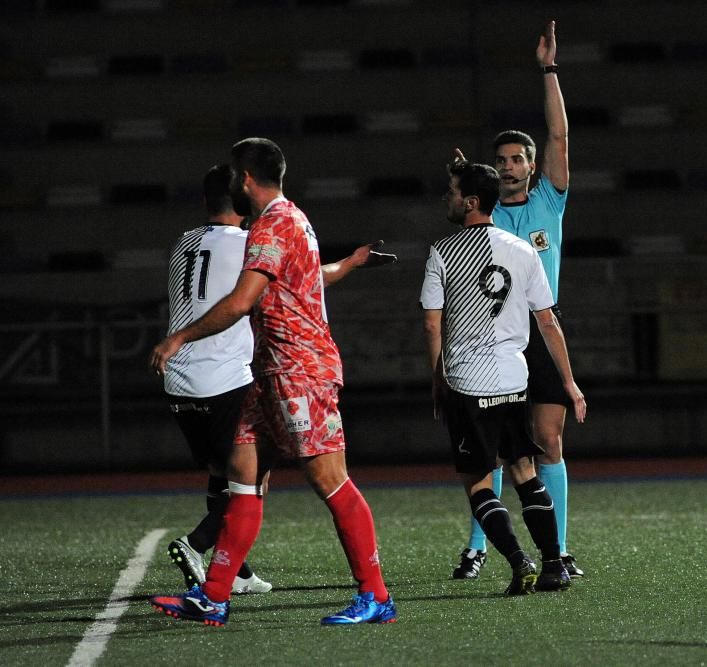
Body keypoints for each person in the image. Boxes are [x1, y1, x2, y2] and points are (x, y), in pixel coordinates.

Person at [148, 137, 397, 627]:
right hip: (269, 371)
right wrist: (349, 265)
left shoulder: (271, 225)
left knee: (329, 480)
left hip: (299, 369)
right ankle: (214, 596)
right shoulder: (288, 220)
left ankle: (376, 596)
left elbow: (242, 301)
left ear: (245, 178)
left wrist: (179, 338)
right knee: (242, 475)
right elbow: (300, 281)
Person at [451, 19, 583, 580]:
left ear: (531, 165)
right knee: (496, 446)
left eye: (515, 159)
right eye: (499, 160)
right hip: (494, 336)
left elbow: (559, 137)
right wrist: (458, 182)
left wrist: (549, 69)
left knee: (547, 438)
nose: (507, 166)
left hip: (543, 324)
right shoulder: (487, 212)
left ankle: (560, 548)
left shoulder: (549, 201)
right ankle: (482, 544)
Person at [421, 159, 586, 595]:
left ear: (471, 201)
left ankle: (518, 560)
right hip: (514, 379)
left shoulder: (443, 251)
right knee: (525, 470)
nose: (448, 198)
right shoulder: (522, 249)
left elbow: (432, 325)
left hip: (466, 382)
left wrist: (437, 379)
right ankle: (555, 564)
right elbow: (547, 321)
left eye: (453, 191)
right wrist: (568, 381)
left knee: (477, 481)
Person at [162, 163, 270, 596]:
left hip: (179, 381)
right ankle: (197, 544)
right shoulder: (248, 246)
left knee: (218, 472)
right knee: (253, 478)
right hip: (224, 379)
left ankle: (238, 570)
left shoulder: (182, 242)